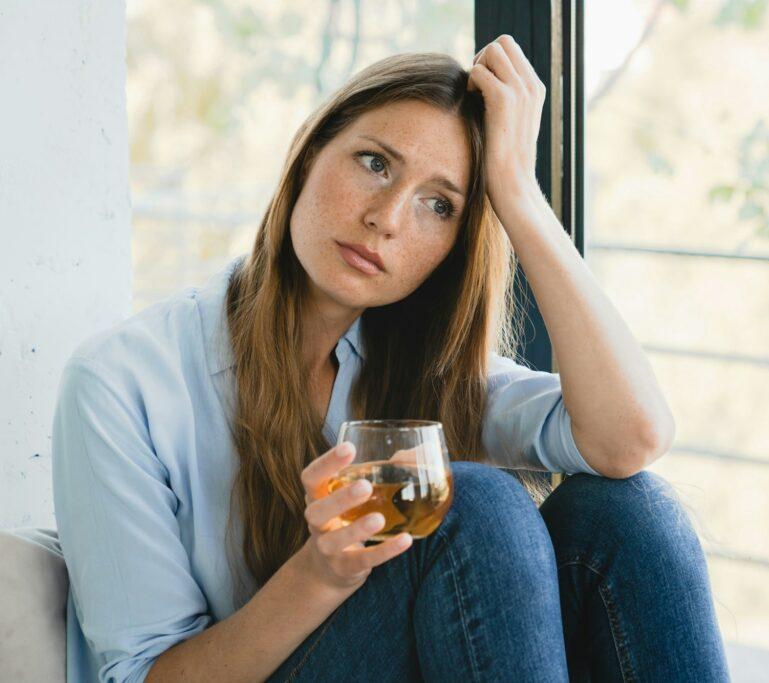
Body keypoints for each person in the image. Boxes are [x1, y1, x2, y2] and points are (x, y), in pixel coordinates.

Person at [51, 36, 729, 682]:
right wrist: (320, 573)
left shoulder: (429, 369)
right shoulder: (121, 381)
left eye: (439, 204)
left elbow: (631, 438)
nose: (388, 217)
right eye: (375, 163)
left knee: (624, 510)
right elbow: (147, 674)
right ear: (311, 152)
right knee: (471, 501)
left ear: (451, 248)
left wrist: (518, 194)